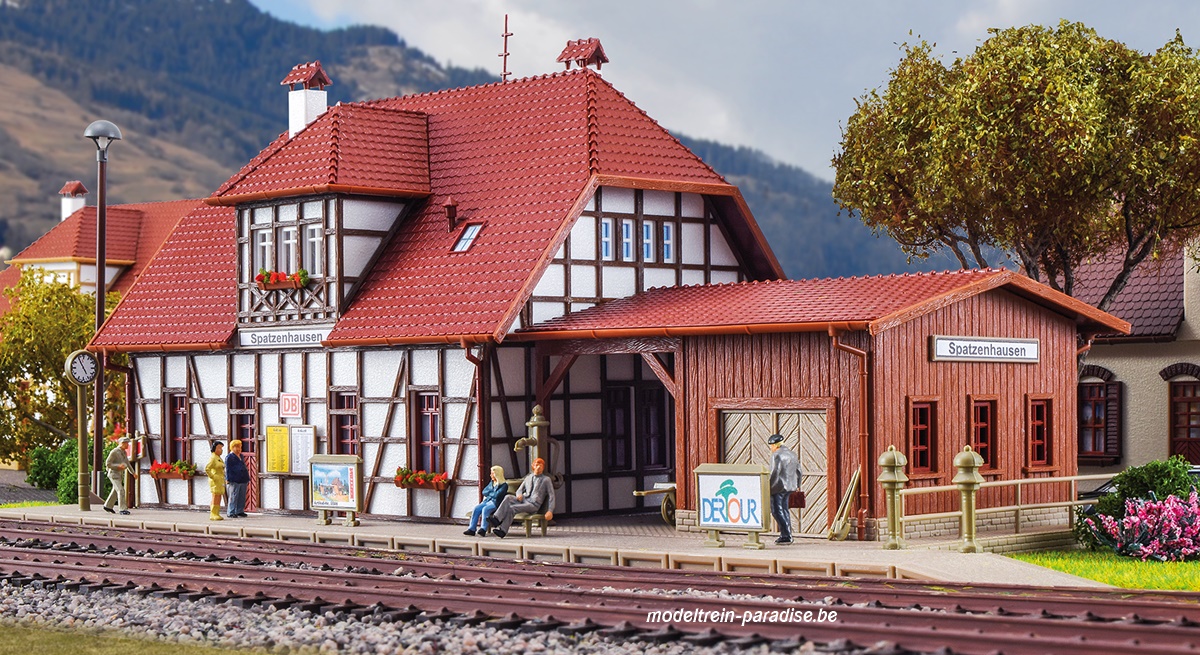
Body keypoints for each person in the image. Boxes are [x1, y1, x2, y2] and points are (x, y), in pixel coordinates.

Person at [488, 457, 554, 538]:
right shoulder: (528, 478)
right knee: (508, 497)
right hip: (524, 499)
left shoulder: (546, 480)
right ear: (532, 466)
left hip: (533, 504)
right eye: (536, 465)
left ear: (543, 467)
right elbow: (519, 490)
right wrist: (519, 495)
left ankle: (503, 530)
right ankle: (497, 518)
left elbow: (551, 495)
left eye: (541, 465)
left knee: (512, 508)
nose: (538, 467)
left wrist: (550, 510)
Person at [767, 433, 802, 545]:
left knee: (776, 511)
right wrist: (798, 485)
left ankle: (786, 535)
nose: (771, 448)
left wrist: (768, 486)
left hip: (778, 487)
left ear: (775, 445)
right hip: (790, 487)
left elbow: (774, 472)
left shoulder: (776, 455)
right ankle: (787, 534)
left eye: (771, 446)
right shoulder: (792, 454)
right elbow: (799, 471)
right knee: (785, 510)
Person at [465, 465, 509, 536]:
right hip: (487, 501)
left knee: (486, 509)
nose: (491, 475)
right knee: (476, 508)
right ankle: (472, 529)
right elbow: (484, 491)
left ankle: (483, 529)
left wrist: (490, 493)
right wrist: (491, 493)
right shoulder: (491, 483)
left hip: (495, 503)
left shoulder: (504, 485)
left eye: (492, 473)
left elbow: (497, 495)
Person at [102, 436, 133, 515]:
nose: (128, 445)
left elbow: (127, 463)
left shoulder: (124, 453)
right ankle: (122, 509)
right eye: (126, 444)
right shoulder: (114, 452)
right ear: (122, 443)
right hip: (113, 474)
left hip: (119, 475)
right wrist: (118, 466)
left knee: (115, 491)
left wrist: (133, 473)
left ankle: (108, 506)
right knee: (121, 490)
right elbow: (108, 463)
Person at [225, 439, 249, 518]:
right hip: (234, 479)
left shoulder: (241, 456)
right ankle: (231, 511)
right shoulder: (229, 457)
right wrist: (227, 479)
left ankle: (239, 510)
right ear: (232, 447)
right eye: (237, 447)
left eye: (240, 447)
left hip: (243, 478)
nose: (239, 449)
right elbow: (228, 469)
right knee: (233, 496)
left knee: (242, 496)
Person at [205, 441, 226, 521]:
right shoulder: (213, 458)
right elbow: (207, 468)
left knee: (218, 497)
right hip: (215, 480)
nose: (221, 450)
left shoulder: (218, 457)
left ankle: (216, 513)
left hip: (220, 479)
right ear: (215, 449)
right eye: (219, 448)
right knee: (215, 496)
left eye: (221, 448)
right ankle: (213, 513)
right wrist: (213, 476)